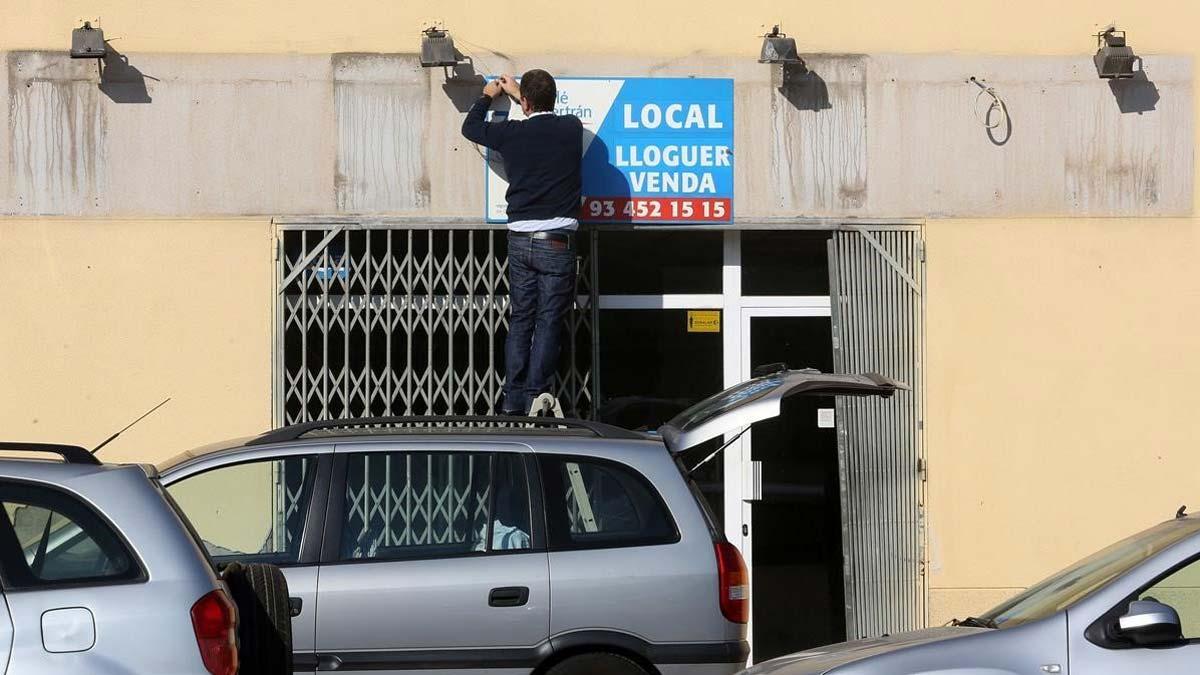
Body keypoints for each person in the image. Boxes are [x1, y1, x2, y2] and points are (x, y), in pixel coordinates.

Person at [462, 70, 583, 415]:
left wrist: (489, 95)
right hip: (556, 240)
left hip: (519, 237)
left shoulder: (511, 134)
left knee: (522, 319)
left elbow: (470, 128)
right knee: (548, 318)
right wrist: (521, 95)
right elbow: (541, 115)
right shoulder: (571, 128)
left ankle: (512, 398)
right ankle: (535, 394)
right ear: (554, 100)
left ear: (525, 103)